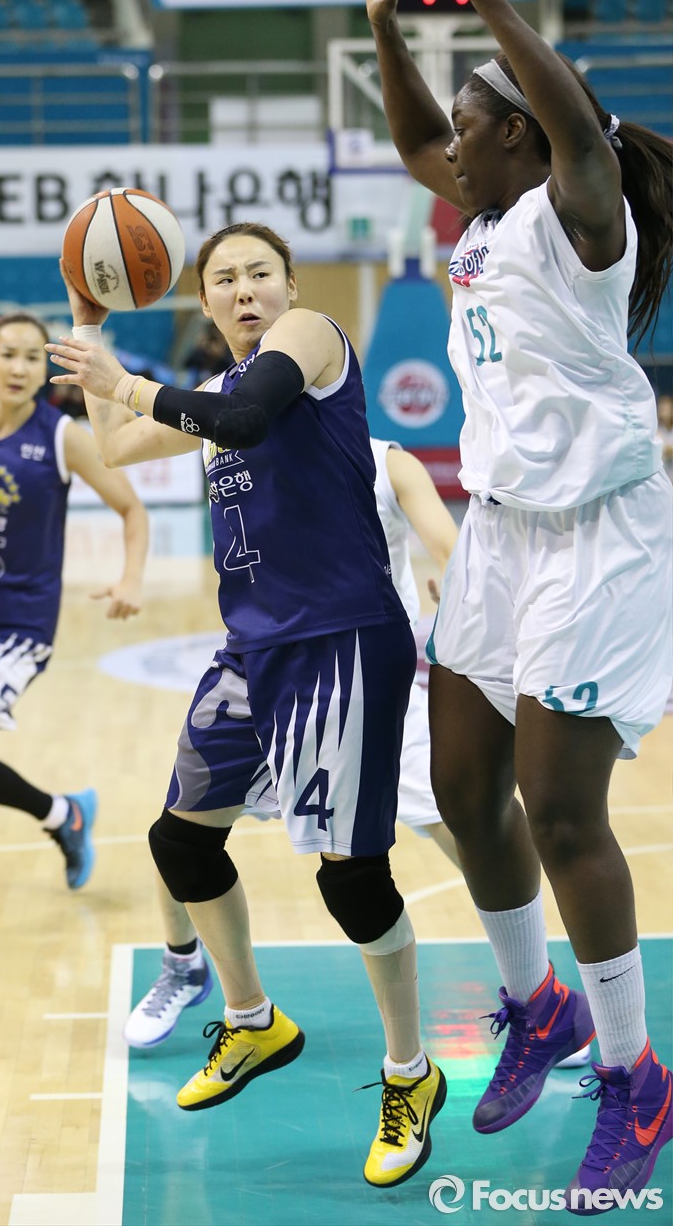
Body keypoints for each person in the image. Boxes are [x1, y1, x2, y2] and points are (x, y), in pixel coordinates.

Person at [367, 0, 672, 1214]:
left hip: (600, 541)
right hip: (499, 533)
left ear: (521, 137)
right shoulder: (483, 224)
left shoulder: (578, 217)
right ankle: (534, 1003)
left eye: (470, 128)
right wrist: (385, 24)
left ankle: (635, 1074)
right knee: (457, 783)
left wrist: (489, 0)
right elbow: (409, 137)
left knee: (559, 810)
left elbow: (576, 136)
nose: (447, 149)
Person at [47, 224, 446, 1190]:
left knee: (352, 882)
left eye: (259, 272)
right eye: (222, 279)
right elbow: (118, 444)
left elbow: (245, 421)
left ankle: (411, 1073)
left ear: (290, 284)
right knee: (181, 845)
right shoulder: (218, 387)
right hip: (252, 649)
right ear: (205, 300)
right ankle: (252, 1018)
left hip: (343, 642)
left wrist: (126, 381)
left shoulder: (310, 338)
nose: (243, 290)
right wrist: (88, 323)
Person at [122, 437, 463, 1050]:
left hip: (367, 682)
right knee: (182, 827)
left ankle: (532, 993)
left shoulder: (388, 462)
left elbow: (449, 545)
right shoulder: (237, 440)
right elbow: (121, 443)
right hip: (272, 675)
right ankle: (184, 964)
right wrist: (101, 380)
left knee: (459, 836)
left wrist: (460, 583)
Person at [0, 313, 148, 889]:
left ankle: (61, 816)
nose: (20, 367)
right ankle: (61, 814)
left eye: (33, 357)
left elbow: (132, 508)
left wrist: (130, 579)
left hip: (15, 628)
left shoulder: (60, 436)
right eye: (8, 354)